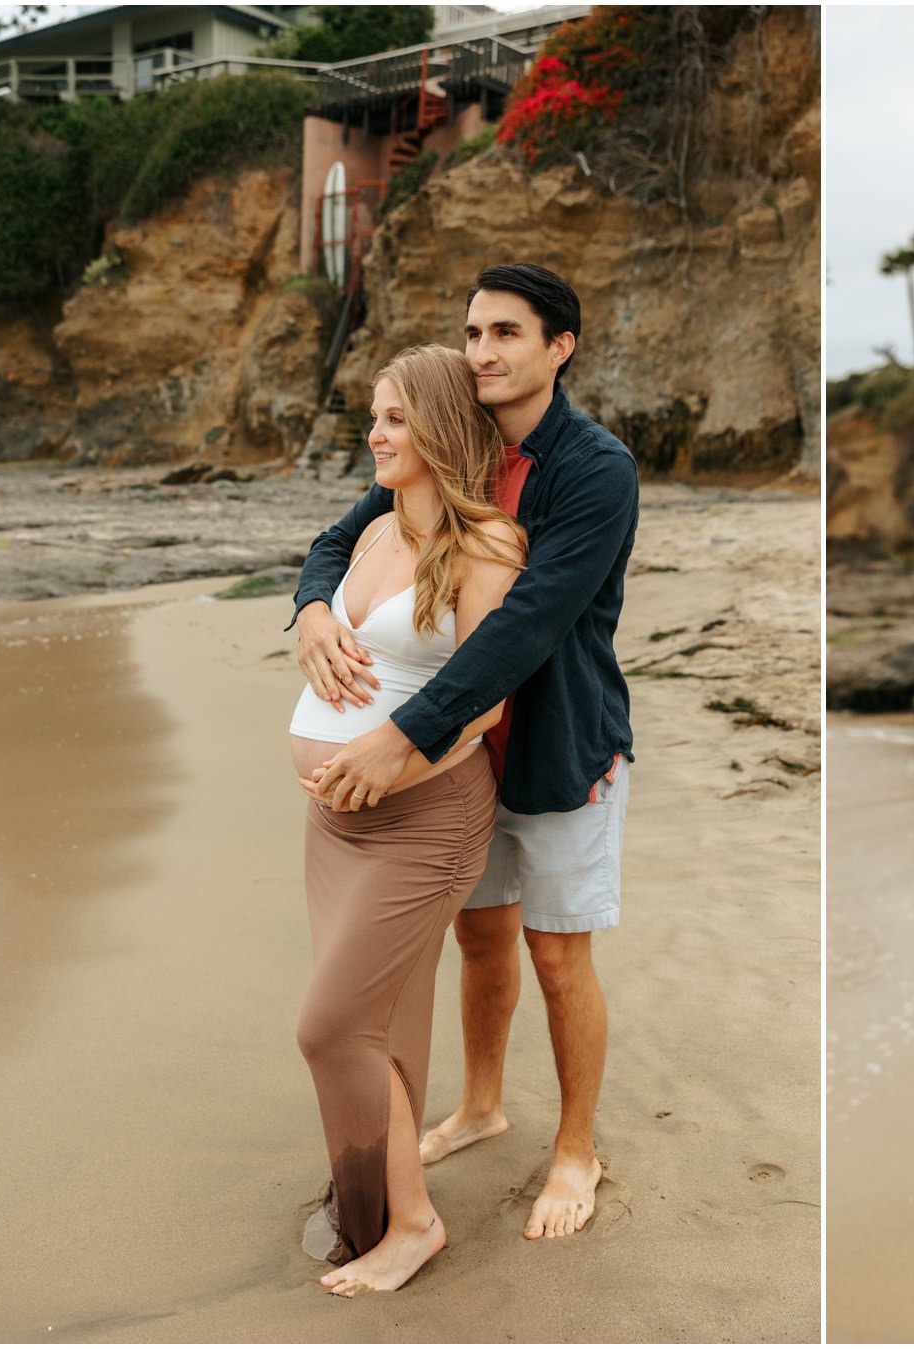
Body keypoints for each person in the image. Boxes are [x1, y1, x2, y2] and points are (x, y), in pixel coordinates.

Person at [290, 262, 638, 1243]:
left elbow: (524, 628)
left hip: (559, 745)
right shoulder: (462, 441)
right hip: (460, 768)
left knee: (559, 954)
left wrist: (396, 737)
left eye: (507, 333)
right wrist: (313, 606)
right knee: (478, 938)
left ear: (559, 347)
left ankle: (576, 1145)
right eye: (474, 331)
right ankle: (482, 1102)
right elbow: (343, 530)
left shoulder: (595, 468)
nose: (483, 350)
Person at [289, 343, 526, 1294]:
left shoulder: (488, 546)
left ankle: (413, 1223)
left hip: (422, 820)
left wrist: (392, 766)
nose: (376, 434)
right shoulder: (375, 529)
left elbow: (485, 698)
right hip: (330, 825)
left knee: (329, 1024)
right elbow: (323, 584)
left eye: (393, 418)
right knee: (382, 1020)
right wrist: (310, 612)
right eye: (372, 418)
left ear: (435, 425)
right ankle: (376, 1203)